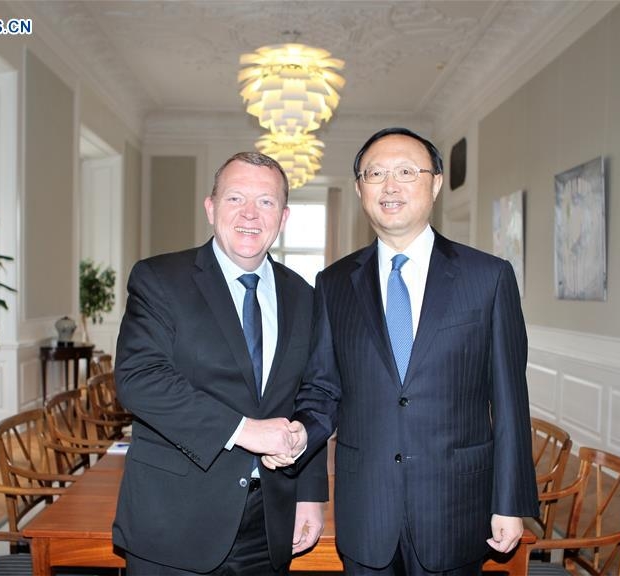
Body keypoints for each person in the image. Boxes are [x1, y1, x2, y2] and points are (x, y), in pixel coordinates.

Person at [268, 127, 538, 575]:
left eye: (406, 172)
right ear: (359, 189)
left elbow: (510, 401)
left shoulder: (488, 278)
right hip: (366, 512)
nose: (390, 186)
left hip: (455, 510)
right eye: (376, 174)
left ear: (434, 184)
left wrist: (509, 503)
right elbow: (322, 389)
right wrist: (301, 435)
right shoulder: (333, 284)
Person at [113, 152, 328, 575]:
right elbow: (139, 379)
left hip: (268, 525)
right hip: (173, 523)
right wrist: (246, 431)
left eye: (265, 202)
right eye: (235, 198)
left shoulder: (304, 295)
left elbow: (310, 396)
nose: (250, 214)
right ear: (211, 208)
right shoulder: (160, 279)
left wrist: (310, 494)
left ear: (282, 218)